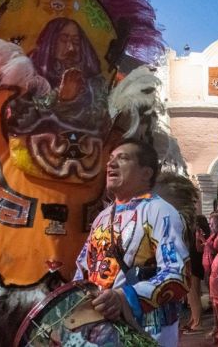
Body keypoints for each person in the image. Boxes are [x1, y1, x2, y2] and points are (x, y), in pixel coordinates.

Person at [74, 139, 189, 346]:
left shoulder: (160, 211)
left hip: (146, 330)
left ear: (146, 173)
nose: (111, 164)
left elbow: (177, 274)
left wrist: (124, 297)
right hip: (100, 329)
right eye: (110, 159)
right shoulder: (102, 217)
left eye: (123, 158)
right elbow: (83, 268)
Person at [183, 215, 211, 334]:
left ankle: (197, 323)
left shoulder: (199, 232)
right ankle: (193, 320)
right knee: (193, 295)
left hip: (195, 266)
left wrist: (197, 238)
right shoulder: (201, 231)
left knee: (193, 296)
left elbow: (199, 249)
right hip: (195, 265)